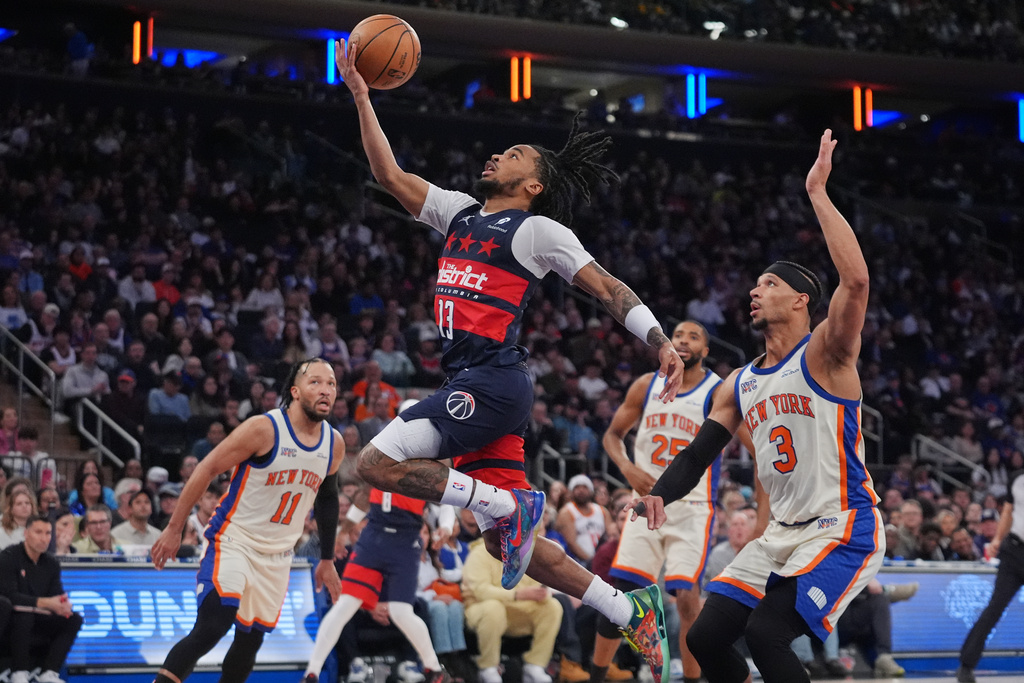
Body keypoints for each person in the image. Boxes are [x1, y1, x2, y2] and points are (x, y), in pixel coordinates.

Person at [335, 38, 684, 682]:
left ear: (532, 184)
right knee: (503, 547)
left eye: (513, 154)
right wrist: (361, 93)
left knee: (374, 463)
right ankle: (625, 607)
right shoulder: (458, 213)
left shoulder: (537, 231)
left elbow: (608, 288)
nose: (496, 154)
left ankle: (506, 506)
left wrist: (658, 339)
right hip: (481, 386)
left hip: (492, 382)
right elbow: (389, 175)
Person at [633, 131, 883, 683]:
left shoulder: (825, 354)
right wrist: (658, 494)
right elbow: (700, 451)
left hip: (840, 526)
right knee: (705, 637)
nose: (754, 291)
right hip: (779, 536)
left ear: (800, 300)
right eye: (753, 285)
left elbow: (858, 281)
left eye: (767, 284)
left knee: (768, 634)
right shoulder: (739, 382)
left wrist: (818, 192)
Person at [149, 358, 345, 683]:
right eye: (315, 382)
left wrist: (326, 558)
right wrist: (174, 527)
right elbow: (207, 468)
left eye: (332, 384)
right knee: (213, 625)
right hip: (234, 540)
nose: (325, 390)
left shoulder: (333, 444)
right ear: (295, 391)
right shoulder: (264, 429)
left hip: (278, 555)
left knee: (250, 641)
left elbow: (327, 498)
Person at [596, 320, 755, 683]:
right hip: (645, 500)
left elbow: (757, 449)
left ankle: (691, 679)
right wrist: (627, 468)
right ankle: (597, 674)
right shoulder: (645, 385)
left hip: (692, 507)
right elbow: (612, 435)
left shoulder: (718, 392)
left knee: (686, 596)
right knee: (620, 591)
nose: (683, 341)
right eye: (678, 335)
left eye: (693, 337)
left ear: (706, 350)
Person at [302, 490, 456, 683]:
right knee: (345, 605)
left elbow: (447, 499)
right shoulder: (379, 461)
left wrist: (446, 527)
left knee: (401, 611)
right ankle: (312, 672)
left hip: (405, 541)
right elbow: (364, 496)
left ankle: (433, 668)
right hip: (374, 539)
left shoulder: (425, 466)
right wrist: (342, 533)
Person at [957, 466, 1024, 683]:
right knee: (995, 608)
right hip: (1014, 550)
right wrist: (996, 539)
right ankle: (966, 665)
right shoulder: (1016, 477)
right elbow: (1008, 511)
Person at [0, 515, 83, 683]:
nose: (44, 538)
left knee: (74, 619)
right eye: (38, 532)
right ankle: (19, 672)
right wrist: (45, 603)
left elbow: (56, 595)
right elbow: (9, 596)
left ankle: (49, 672)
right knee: (23, 615)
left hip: (39, 617)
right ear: (26, 533)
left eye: (48, 533)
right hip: (12, 618)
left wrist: (63, 605)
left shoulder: (51, 563)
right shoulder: (9, 556)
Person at [555, 474, 612, 567]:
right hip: (579, 562)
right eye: (577, 487)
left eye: (585, 487)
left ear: (591, 490)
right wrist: (591, 561)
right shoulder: (567, 512)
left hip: (602, 560)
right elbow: (572, 543)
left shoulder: (602, 511)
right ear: (571, 491)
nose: (581, 490)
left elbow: (611, 535)